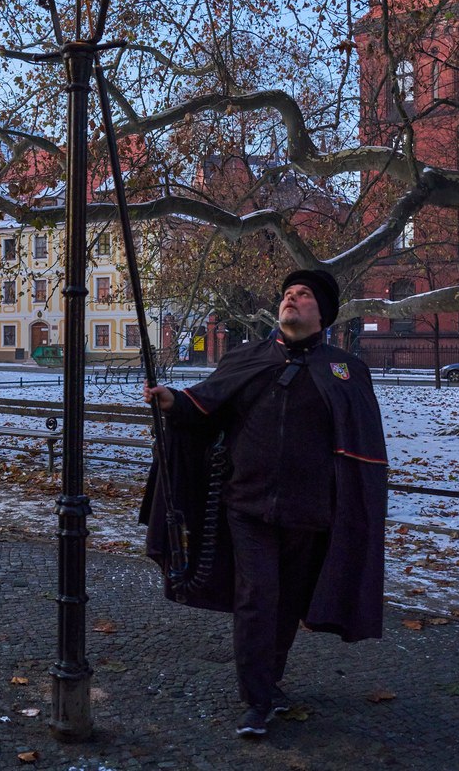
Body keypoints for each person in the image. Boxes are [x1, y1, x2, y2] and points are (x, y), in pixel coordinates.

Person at [141, 270, 387, 739]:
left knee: (287, 602)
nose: (291, 299)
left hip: (312, 511)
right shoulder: (246, 357)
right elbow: (205, 405)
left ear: (323, 312)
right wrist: (174, 401)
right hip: (247, 504)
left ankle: (269, 682)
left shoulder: (345, 369)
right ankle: (256, 700)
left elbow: (362, 447)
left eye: (304, 295)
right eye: (287, 295)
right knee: (257, 598)